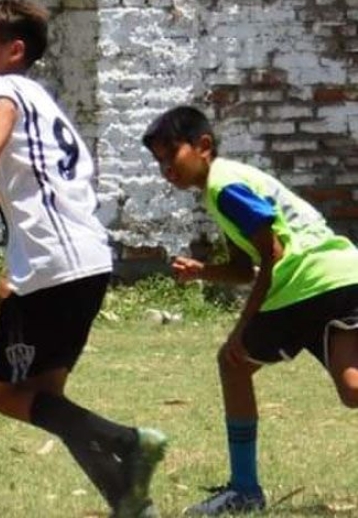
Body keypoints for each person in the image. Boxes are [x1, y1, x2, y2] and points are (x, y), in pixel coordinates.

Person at [0, 0, 167, 518]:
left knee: (0, 393)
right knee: (47, 396)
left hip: (55, 268)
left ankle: (130, 440)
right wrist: (16, 266)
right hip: (87, 262)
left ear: (14, 51)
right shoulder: (45, 103)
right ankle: (127, 502)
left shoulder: (3, 88)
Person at [143, 106, 358, 515]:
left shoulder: (224, 188)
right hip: (343, 273)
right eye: (159, 162)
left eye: (172, 155)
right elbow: (245, 268)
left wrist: (240, 329)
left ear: (203, 146)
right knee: (352, 390)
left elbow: (272, 255)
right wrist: (204, 272)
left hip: (305, 284)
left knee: (233, 362)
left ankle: (244, 489)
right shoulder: (227, 183)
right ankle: (243, 488)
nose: (166, 168)